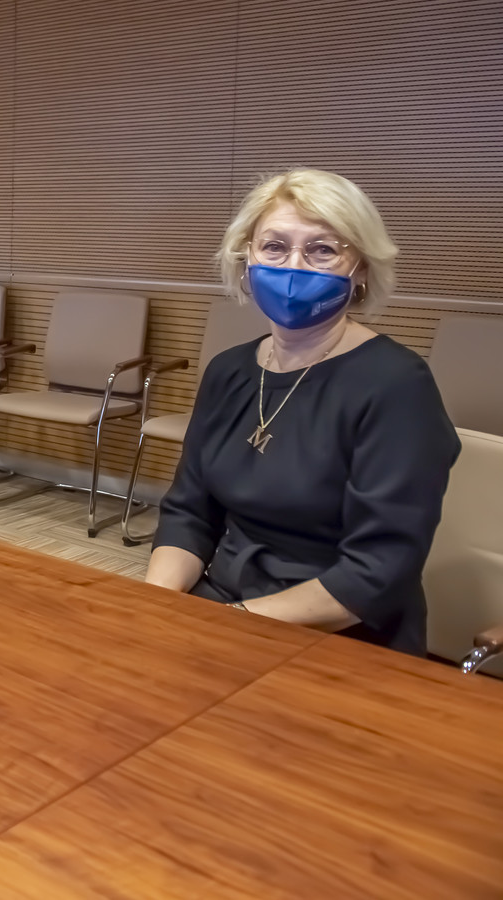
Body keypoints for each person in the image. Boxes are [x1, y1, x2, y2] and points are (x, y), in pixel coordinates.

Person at [145, 168, 459, 656]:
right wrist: (155, 606)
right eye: (274, 247)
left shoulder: (397, 384)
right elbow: (190, 513)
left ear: (361, 270)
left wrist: (231, 626)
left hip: (341, 630)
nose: (294, 266)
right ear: (246, 260)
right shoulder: (228, 370)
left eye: (323, 249)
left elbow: (377, 570)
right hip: (225, 606)